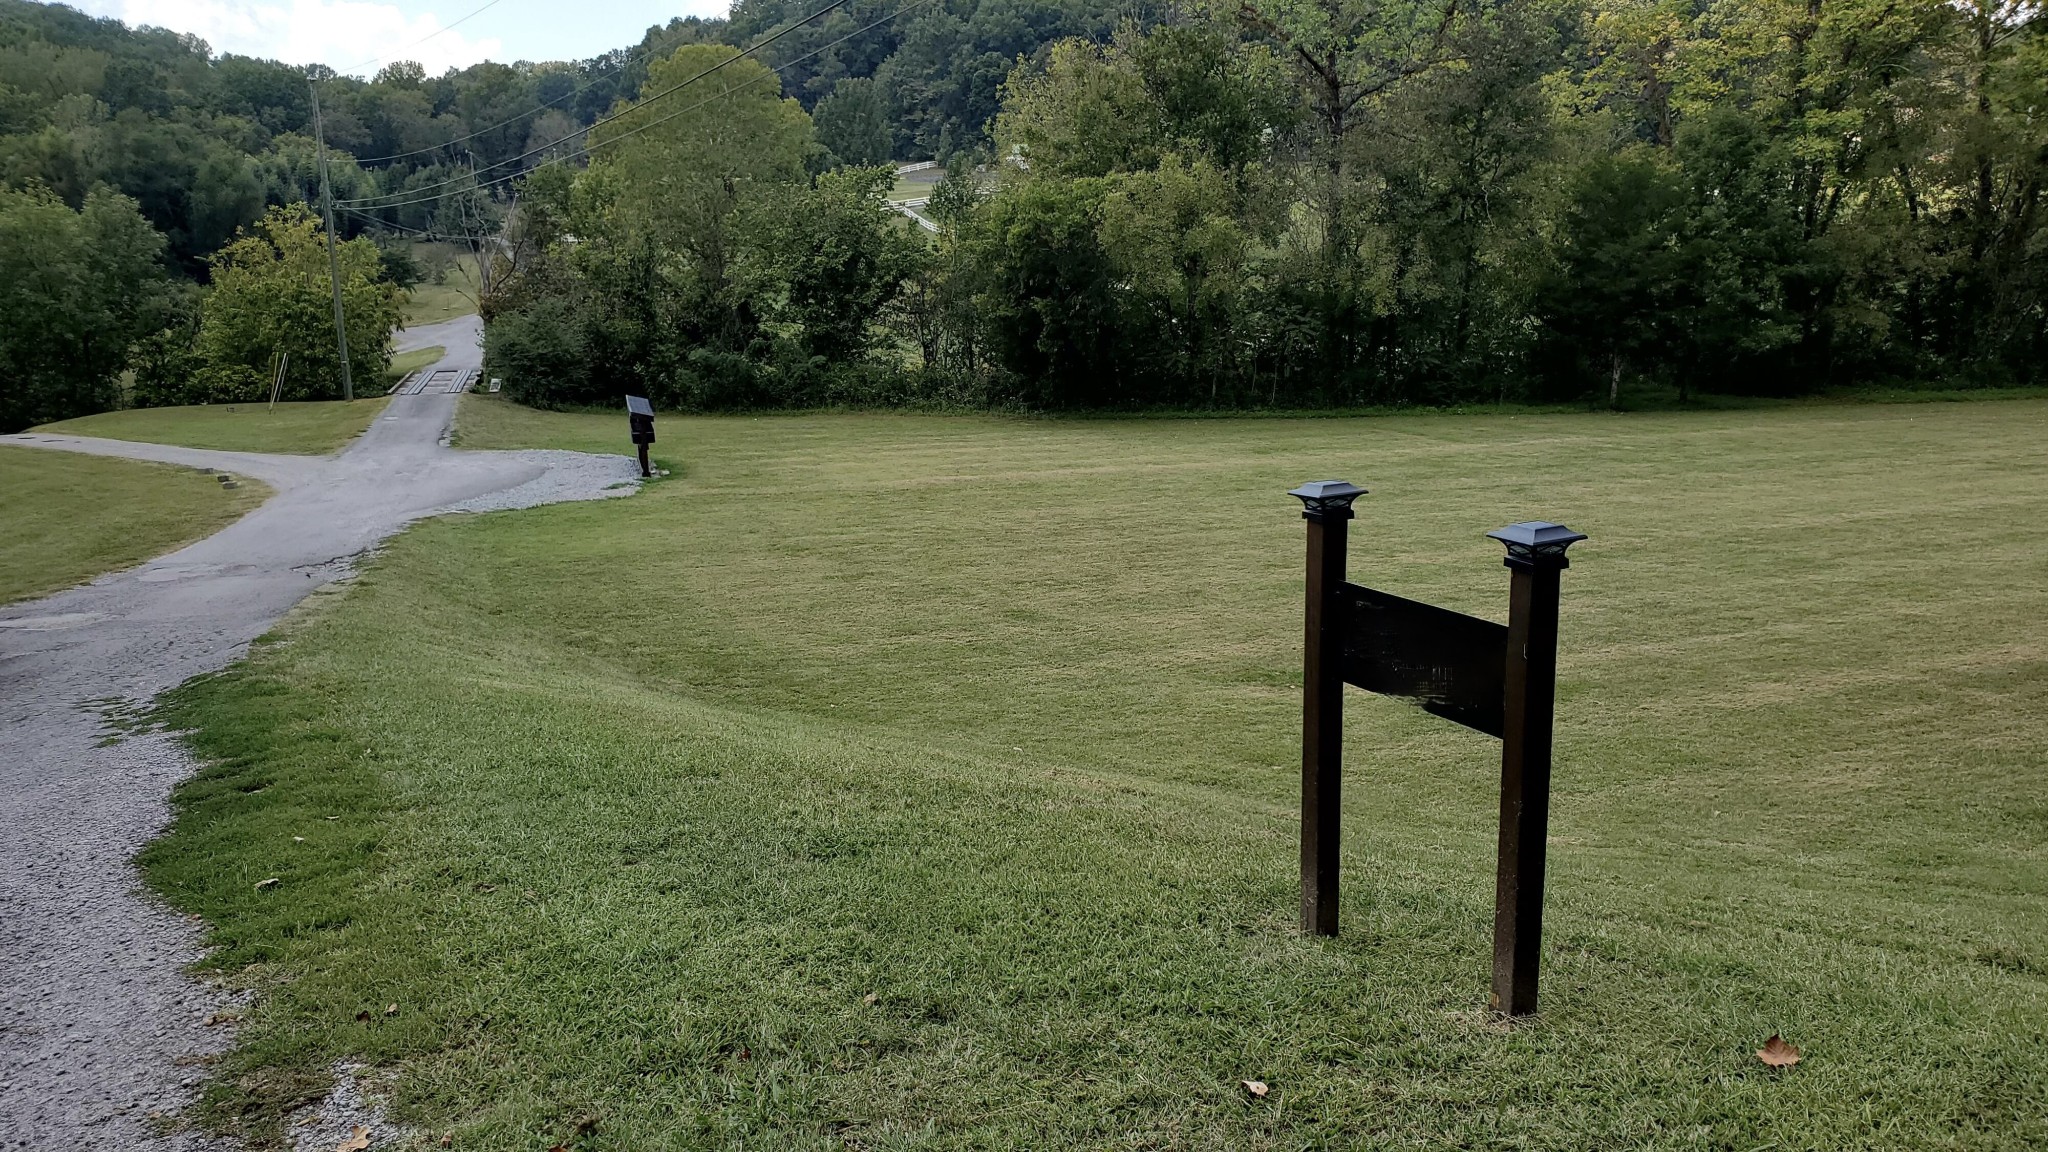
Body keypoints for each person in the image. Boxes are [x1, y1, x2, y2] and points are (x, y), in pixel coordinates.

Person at [626, 395, 655, 477]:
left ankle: (645, 470)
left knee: (642, 444)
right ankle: (644, 468)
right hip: (642, 431)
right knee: (642, 444)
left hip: (643, 431)